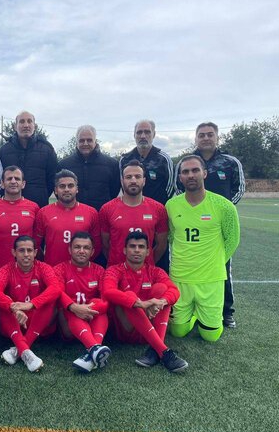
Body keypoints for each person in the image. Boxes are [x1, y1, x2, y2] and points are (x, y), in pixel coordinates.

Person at [176, 122, 246, 328]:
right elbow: (177, 188)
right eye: (201, 135)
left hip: (217, 223)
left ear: (217, 137)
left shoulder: (230, 162)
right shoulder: (186, 162)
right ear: (196, 138)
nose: (206, 138)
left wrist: (222, 212)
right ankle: (191, 310)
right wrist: (193, 211)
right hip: (192, 220)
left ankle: (226, 311)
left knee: (222, 267)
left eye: (209, 134)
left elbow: (239, 189)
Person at [167, 155, 240, 342]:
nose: (190, 175)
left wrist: (215, 262)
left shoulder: (224, 206)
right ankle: (193, 315)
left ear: (205, 173)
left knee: (210, 336)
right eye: (185, 172)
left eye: (195, 170)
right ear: (180, 178)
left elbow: (232, 240)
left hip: (211, 279)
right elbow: (171, 236)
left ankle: (203, 317)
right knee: (178, 332)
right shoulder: (171, 205)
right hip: (181, 276)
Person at [102, 232, 187, 373]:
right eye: (132, 246)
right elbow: (108, 291)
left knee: (162, 290)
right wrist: (141, 304)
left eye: (141, 247)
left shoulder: (155, 271)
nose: (136, 250)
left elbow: (174, 291)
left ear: (148, 252)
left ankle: (156, 348)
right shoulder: (114, 270)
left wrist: (161, 302)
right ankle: (164, 351)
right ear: (125, 250)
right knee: (129, 296)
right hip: (125, 330)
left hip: (150, 329)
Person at [0, 236, 61, 372]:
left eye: (29, 250)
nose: (26, 254)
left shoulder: (44, 268)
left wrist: (31, 304)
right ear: (14, 252)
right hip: (15, 322)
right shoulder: (5, 270)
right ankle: (25, 351)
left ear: (35, 252)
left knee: (50, 300)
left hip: (38, 324)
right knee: (3, 302)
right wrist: (13, 308)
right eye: (21, 250)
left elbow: (55, 288)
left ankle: (20, 348)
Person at [53, 232, 111, 373]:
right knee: (67, 307)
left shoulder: (99, 270)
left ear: (92, 252)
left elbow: (106, 299)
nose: (81, 251)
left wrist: (89, 308)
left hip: (91, 318)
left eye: (86, 248)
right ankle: (95, 348)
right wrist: (75, 307)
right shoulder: (59, 269)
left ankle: (93, 349)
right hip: (69, 322)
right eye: (77, 247)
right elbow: (58, 293)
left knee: (99, 305)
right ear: (70, 249)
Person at [98, 160, 168, 267]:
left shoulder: (158, 209)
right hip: (116, 271)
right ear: (122, 181)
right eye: (128, 177)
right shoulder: (107, 209)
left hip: (145, 272)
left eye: (138, 176)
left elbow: (161, 245)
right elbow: (105, 245)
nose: (133, 180)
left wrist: (146, 263)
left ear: (144, 181)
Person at [34, 169, 101, 267]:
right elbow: (35, 245)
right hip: (53, 270)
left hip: (81, 270)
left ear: (77, 189)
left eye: (70, 186)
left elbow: (97, 245)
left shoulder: (91, 212)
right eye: (62, 186)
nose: (66, 189)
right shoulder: (43, 213)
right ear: (56, 190)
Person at [0, 111, 57, 207]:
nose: (26, 125)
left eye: (29, 121)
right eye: (22, 121)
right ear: (15, 126)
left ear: (35, 126)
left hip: (38, 206)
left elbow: (52, 179)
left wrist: (41, 195)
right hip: (10, 207)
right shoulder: (3, 151)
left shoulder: (47, 150)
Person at [0, 166, 39, 275]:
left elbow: (36, 237)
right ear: (2, 183)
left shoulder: (33, 207)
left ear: (23, 184)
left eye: (17, 179)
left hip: (26, 269)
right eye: (9, 179)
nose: (13, 181)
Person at [57, 125, 120, 213]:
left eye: (89, 140)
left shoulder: (112, 164)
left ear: (95, 141)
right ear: (76, 142)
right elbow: (60, 192)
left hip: (101, 214)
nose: (85, 143)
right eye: (81, 140)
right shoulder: (63, 165)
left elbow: (114, 191)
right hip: (72, 215)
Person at [119, 120, 174, 205]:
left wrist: (160, 206)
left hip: (158, 209)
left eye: (147, 132)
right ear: (134, 135)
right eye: (139, 132)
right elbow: (123, 186)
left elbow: (171, 186)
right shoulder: (125, 159)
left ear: (154, 134)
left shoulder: (164, 159)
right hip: (133, 208)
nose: (143, 136)